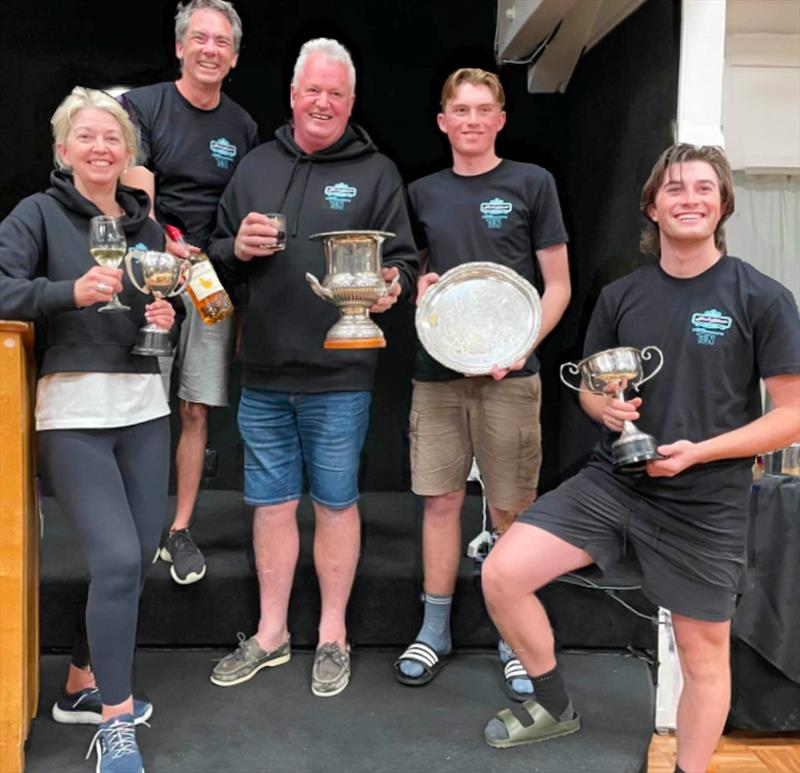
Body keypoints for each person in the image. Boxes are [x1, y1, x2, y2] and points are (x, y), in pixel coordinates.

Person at [479, 144, 800, 772]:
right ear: (652, 206)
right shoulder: (623, 295)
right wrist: (609, 412)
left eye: (704, 189)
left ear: (723, 204)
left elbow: (791, 415)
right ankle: (552, 705)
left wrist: (700, 453)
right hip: (614, 483)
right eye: (675, 189)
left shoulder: (760, 296)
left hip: (706, 501)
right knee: (503, 573)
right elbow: (595, 392)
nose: (690, 199)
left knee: (702, 654)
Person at [206, 37, 418, 697]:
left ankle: (332, 634)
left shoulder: (378, 172)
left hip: (339, 376)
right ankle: (271, 634)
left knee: (334, 503)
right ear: (293, 96)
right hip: (264, 370)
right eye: (312, 90)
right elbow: (214, 255)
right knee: (270, 507)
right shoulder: (254, 167)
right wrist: (235, 246)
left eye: (336, 93)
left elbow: (404, 263)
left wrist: (392, 286)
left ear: (350, 103)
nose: (323, 101)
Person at [0, 87, 176, 772]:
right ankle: (115, 720)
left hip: (144, 407)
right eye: (88, 136)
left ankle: (80, 680)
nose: (101, 147)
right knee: (116, 560)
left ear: (127, 153)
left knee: (134, 556)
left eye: (113, 138)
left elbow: (160, 308)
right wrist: (64, 293)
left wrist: (166, 320)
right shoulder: (37, 214)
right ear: (63, 148)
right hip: (73, 410)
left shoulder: (150, 230)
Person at [394, 68, 571, 699]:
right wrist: (417, 288)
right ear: (442, 121)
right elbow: (414, 275)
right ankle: (434, 628)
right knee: (440, 502)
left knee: (509, 508)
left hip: (511, 374)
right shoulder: (420, 193)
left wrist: (519, 347)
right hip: (438, 373)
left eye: (483, 109)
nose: (471, 120)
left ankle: (513, 636)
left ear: (500, 119)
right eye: (459, 110)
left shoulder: (532, 183)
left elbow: (558, 286)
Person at [121, 0, 258, 585]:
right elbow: (137, 190)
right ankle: (137, 523)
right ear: (180, 47)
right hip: (152, 269)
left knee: (196, 406)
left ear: (233, 57)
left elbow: (241, 208)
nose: (209, 49)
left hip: (210, 281)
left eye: (221, 42)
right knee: (142, 403)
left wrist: (219, 259)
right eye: (199, 38)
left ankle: (178, 528)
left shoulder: (243, 127)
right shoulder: (142, 106)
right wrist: (160, 245)